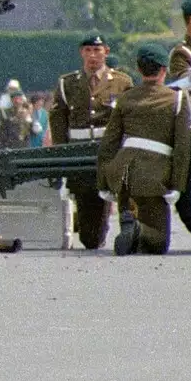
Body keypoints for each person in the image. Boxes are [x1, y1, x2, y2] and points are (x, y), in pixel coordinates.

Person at [98, 43, 191, 256]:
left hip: (123, 174)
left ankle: (132, 227)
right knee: (159, 242)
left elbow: (109, 143)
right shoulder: (176, 99)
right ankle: (139, 230)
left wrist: (104, 181)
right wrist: (177, 185)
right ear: (163, 70)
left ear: (139, 70)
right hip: (154, 176)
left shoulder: (125, 98)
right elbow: (182, 147)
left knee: (132, 224)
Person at [49, 34, 132, 249]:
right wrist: (62, 155)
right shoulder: (68, 83)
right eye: (88, 50)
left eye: (97, 50)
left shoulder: (122, 82)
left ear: (106, 51)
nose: (92, 56)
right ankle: (95, 233)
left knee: (118, 195)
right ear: (81, 53)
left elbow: (129, 118)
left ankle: (129, 231)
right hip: (80, 154)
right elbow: (58, 122)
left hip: (110, 151)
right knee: (89, 234)